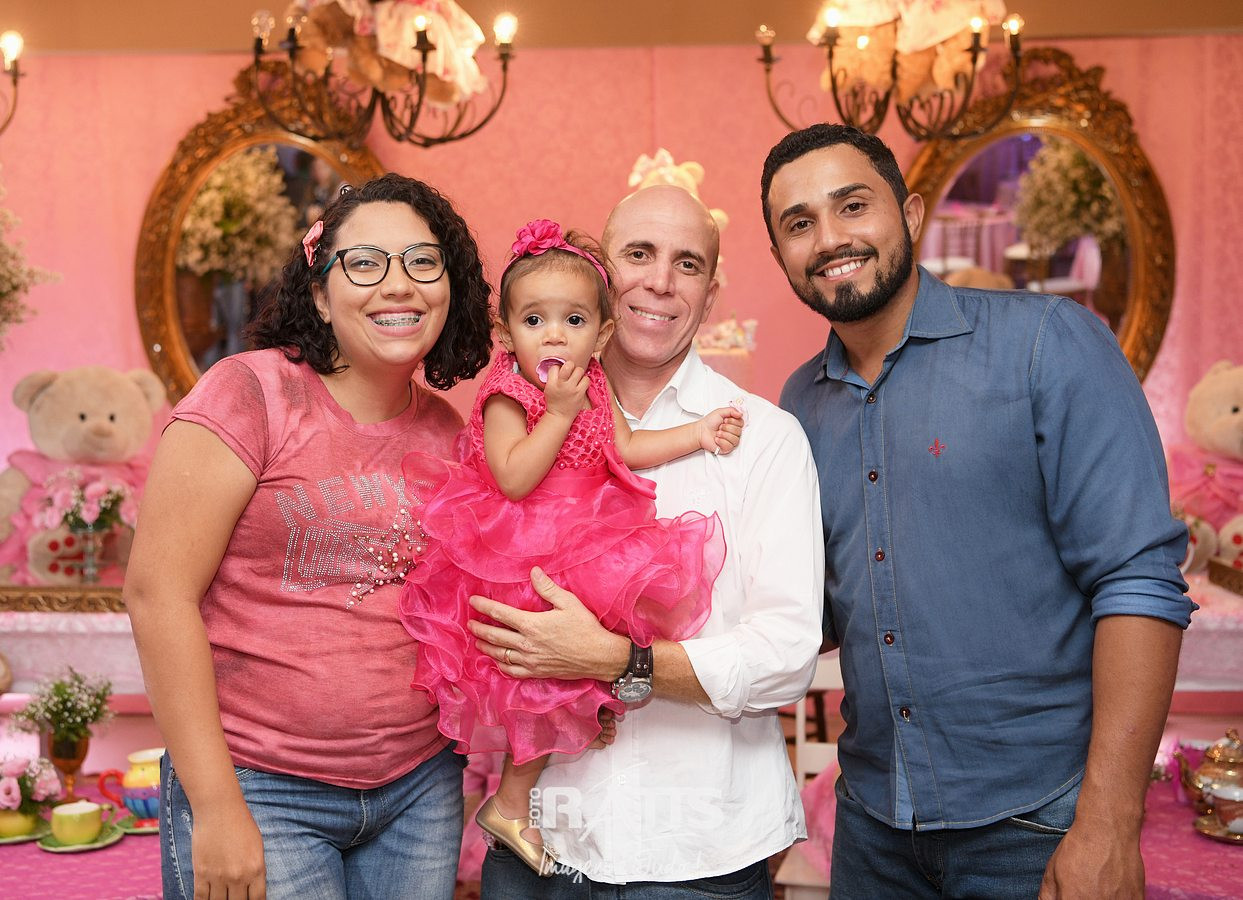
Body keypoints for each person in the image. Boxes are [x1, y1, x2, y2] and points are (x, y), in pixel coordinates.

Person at [767, 124, 1194, 899]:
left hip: (1038, 822)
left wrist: (1107, 820)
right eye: (799, 223)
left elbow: (1138, 580)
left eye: (852, 205)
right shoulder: (797, 404)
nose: (828, 239)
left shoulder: (1045, 344)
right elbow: (818, 613)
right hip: (871, 823)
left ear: (911, 213)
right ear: (780, 255)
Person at [123, 173, 494, 900]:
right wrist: (217, 807)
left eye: (423, 262)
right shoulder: (250, 392)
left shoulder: (448, 430)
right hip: (260, 786)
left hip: (419, 787)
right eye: (365, 263)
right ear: (321, 294)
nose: (399, 285)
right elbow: (157, 594)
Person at [469, 185, 825, 896]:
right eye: (638, 254)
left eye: (687, 264)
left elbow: (786, 658)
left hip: (698, 852)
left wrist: (617, 662)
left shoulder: (763, 438)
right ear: (600, 278)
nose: (661, 281)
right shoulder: (517, 413)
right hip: (543, 840)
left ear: (710, 294)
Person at [399, 217, 744, 877]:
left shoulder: (594, 384)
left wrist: (697, 433)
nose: (554, 335)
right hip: (523, 551)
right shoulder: (508, 393)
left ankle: (547, 767)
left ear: (602, 333)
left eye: (574, 320)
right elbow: (513, 476)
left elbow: (626, 448)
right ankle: (509, 803)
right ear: (506, 334)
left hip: (589, 539)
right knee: (538, 680)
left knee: (599, 653)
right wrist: (556, 412)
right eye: (534, 321)